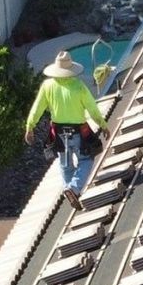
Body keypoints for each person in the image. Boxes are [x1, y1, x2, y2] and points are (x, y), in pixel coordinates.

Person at [24, 51, 107, 209]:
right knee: (86, 159)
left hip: (59, 133)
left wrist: (30, 127)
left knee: (65, 165)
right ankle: (73, 189)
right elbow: (92, 109)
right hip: (79, 132)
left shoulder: (47, 86)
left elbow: (37, 108)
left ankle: (70, 190)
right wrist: (103, 125)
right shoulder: (79, 86)